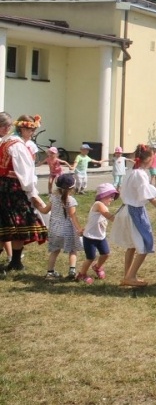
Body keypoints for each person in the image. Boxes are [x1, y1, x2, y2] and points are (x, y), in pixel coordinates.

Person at [108, 145, 156, 287]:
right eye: (152, 158)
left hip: (128, 209)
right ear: (148, 159)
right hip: (134, 212)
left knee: (131, 245)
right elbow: (149, 197)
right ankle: (130, 276)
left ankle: (128, 276)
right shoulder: (140, 174)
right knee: (145, 244)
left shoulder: (133, 171)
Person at [0, 113, 48, 274]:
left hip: (4, 187)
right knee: (18, 226)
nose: (32, 133)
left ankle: (15, 262)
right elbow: (26, 175)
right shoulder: (18, 146)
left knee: (7, 226)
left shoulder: (6, 142)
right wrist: (32, 192)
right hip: (14, 190)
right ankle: (15, 262)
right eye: (30, 130)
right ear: (22, 129)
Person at [41, 174, 83, 280]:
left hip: (54, 229)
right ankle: (72, 270)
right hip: (67, 229)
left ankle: (50, 273)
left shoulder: (53, 198)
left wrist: (37, 205)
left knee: (55, 251)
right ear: (72, 188)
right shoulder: (71, 200)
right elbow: (73, 217)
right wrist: (79, 229)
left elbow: (45, 211)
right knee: (73, 250)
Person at [75, 182, 118, 283]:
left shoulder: (103, 205)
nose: (112, 199)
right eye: (110, 197)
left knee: (106, 254)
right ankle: (81, 274)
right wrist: (121, 222)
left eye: (113, 197)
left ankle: (97, 267)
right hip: (90, 237)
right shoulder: (98, 204)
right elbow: (108, 216)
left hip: (100, 236)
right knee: (90, 257)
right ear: (102, 196)